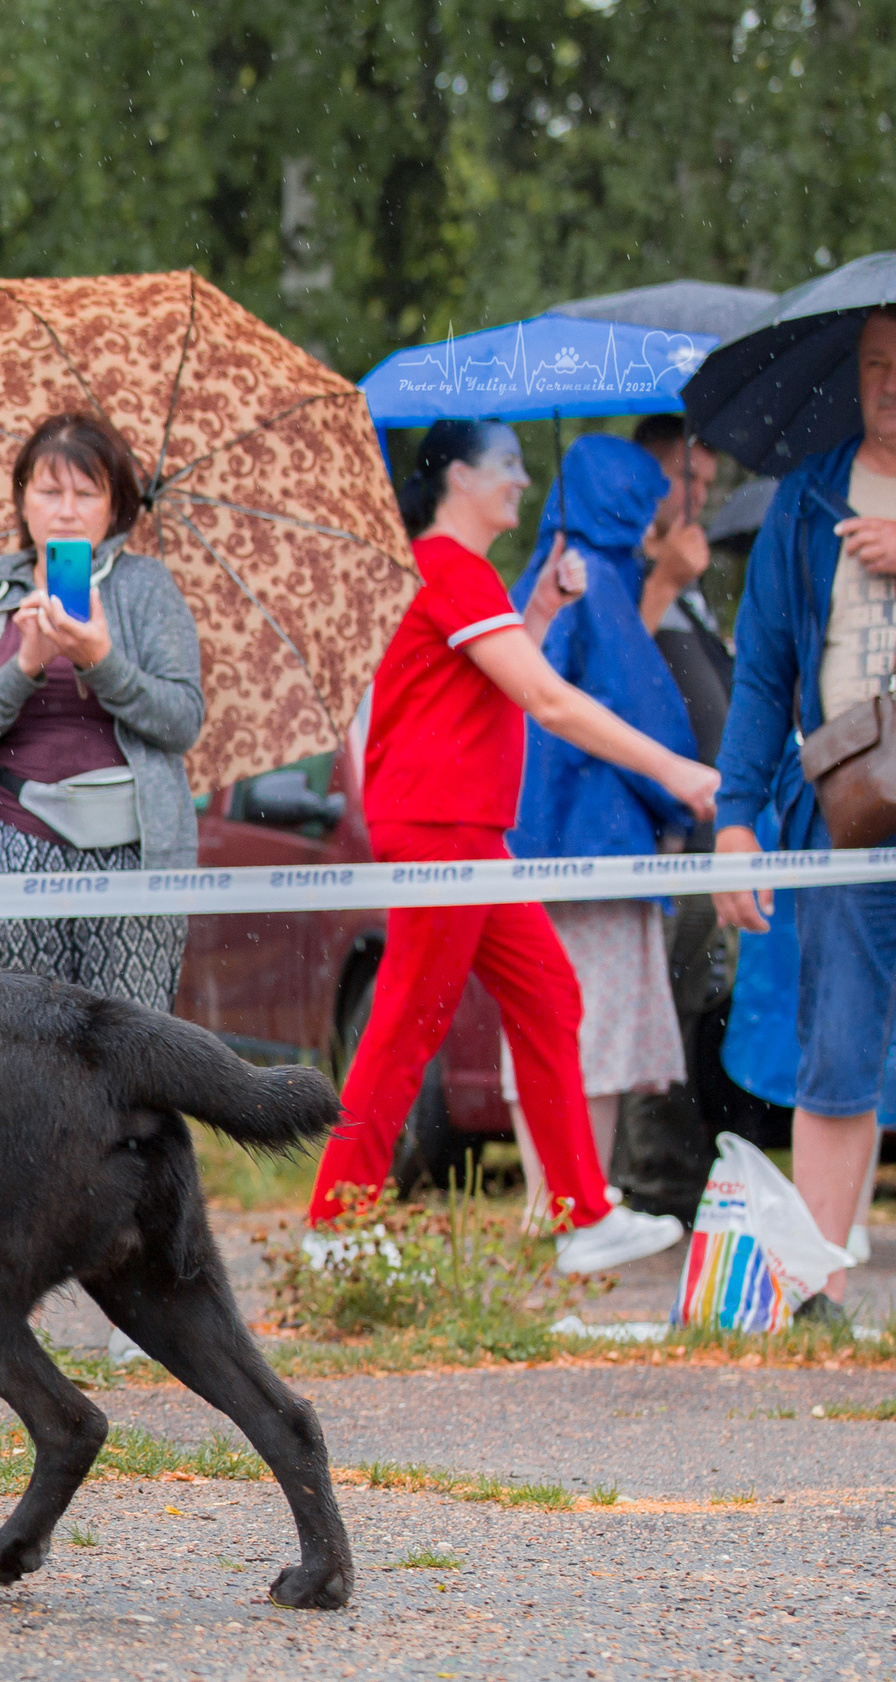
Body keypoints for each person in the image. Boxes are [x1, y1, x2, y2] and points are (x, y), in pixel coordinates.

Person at [306, 418, 718, 1272]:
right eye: (507, 465)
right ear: (458, 475)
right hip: (441, 833)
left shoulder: (460, 576)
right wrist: (676, 769)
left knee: (547, 995)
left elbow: (492, 675)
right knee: (406, 1025)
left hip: (465, 832)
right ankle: (334, 1225)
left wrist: (539, 607)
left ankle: (578, 1211)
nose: (523, 482)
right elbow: (548, 700)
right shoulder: (450, 569)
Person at [712, 306, 896, 1324]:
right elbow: (760, 673)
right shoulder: (805, 496)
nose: (888, 387)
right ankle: (819, 1284)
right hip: (851, 808)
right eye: (874, 367)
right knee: (839, 1040)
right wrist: (736, 816)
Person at [0, 412, 201, 1008]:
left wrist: (102, 661)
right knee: (24, 1042)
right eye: (49, 491)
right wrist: (22, 667)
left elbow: (182, 720)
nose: (67, 511)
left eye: (87, 492)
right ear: (23, 503)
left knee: (132, 1044)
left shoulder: (146, 589)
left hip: (133, 847)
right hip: (12, 838)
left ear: (115, 507)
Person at [498, 435, 698, 1226]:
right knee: (598, 1032)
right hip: (601, 851)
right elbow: (647, 714)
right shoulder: (603, 584)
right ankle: (579, 1208)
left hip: (526, 846)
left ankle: (546, 1203)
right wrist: (684, 798)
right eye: (648, 500)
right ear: (624, 501)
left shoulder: (539, 579)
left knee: (537, 1028)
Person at [622, 414, 737, 1217]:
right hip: (657, 836)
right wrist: (661, 578)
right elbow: (611, 673)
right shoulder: (622, 573)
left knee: (691, 1003)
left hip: (707, 833)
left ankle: (677, 1170)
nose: (699, 495)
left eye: (707, 480)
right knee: (652, 1005)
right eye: (683, 476)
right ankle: (647, 1177)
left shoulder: (694, 593)